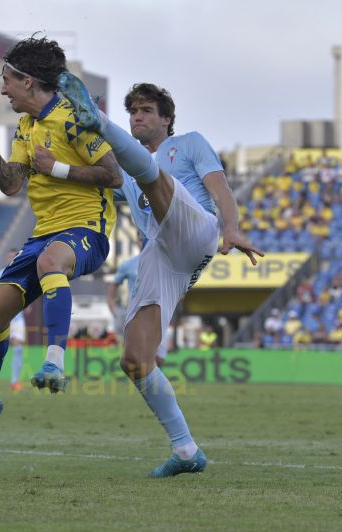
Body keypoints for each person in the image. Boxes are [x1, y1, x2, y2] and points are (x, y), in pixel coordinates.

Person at [58, 78, 262, 476]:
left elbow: (218, 186)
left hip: (197, 229)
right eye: (132, 111)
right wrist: (53, 168)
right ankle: (186, 451)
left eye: (147, 110)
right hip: (163, 254)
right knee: (135, 360)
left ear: (167, 119)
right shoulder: (128, 174)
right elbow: (98, 182)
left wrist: (232, 227)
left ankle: (95, 116)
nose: (138, 116)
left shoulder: (187, 144)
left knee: (153, 176)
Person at [0, 36, 122, 440]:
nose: (2, 87)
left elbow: (113, 175)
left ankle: (55, 362)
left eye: (6, 79)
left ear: (27, 81)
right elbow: (10, 185)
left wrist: (58, 169)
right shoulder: (26, 126)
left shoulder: (73, 117)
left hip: (86, 231)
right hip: (45, 234)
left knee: (49, 264)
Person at [0, 249, 27, 392]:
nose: (10, 259)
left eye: (13, 257)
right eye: (8, 256)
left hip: (17, 318)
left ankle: (15, 382)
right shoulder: (0, 274)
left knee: (18, 348)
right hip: (1, 317)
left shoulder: (23, 273)